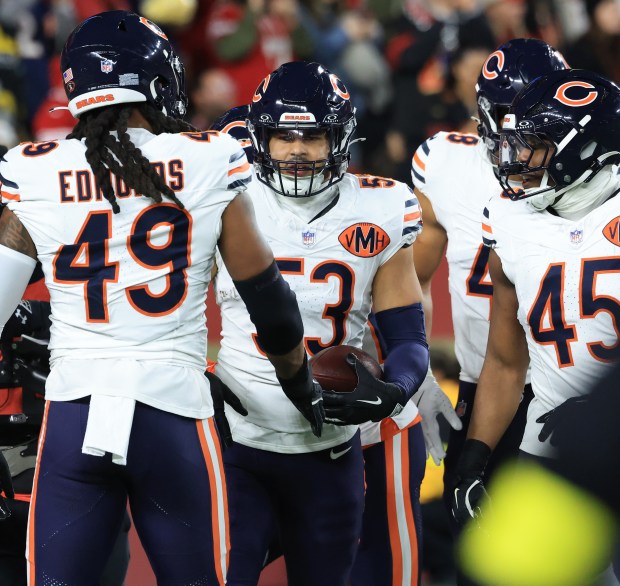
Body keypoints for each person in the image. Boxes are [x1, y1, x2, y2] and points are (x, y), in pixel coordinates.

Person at [0, 10, 324, 585]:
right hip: (173, 416)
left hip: (75, 414)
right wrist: (301, 384)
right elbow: (269, 303)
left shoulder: (36, 172)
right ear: (155, 82)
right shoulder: (206, 161)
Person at [210, 61, 429, 586]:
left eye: (313, 136)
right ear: (258, 136)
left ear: (342, 137)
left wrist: (395, 388)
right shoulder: (223, 198)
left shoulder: (380, 205)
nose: (297, 150)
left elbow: (407, 336)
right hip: (238, 442)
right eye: (283, 135)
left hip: (331, 449)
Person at [450, 68, 620, 532]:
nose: (517, 157)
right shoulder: (510, 219)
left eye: (536, 143)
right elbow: (506, 360)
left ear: (586, 149)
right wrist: (475, 454)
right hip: (548, 452)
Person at [410, 37, 567, 520]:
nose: (527, 125)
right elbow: (408, 282)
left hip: (567, 391)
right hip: (484, 387)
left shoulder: (595, 174)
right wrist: (417, 375)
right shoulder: (445, 164)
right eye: (512, 112)